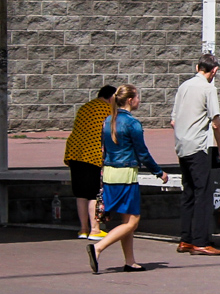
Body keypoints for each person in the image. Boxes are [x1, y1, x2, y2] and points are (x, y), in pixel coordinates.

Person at [88, 85, 167, 274]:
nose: (139, 100)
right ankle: (98, 248)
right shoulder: (132, 123)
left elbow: (104, 149)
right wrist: (158, 172)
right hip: (126, 175)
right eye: (138, 97)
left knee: (126, 220)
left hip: (109, 174)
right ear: (130, 100)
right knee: (133, 221)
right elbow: (143, 153)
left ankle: (130, 261)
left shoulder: (108, 120)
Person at [172, 53, 220, 256]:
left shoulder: (184, 86)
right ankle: (200, 241)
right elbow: (215, 122)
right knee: (202, 194)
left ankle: (185, 239)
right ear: (214, 70)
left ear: (197, 67)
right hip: (198, 146)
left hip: (182, 145)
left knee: (188, 192)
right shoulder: (208, 89)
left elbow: (173, 120)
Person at [63, 84, 116, 240]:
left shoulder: (85, 107)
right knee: (94, 193)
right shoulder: (107, 110)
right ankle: (95, 229)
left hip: (74, 153)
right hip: (92, 154)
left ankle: (83, 229)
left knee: (80, 193)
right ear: (111, 97)